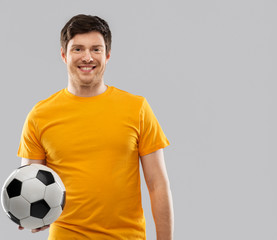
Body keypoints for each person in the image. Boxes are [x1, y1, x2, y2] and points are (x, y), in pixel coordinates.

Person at [17, 14, 174, 240]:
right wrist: (30, 212)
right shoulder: (40, 116)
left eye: (96, 49)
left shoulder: (137, 108)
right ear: (64, 54)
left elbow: (158, 185)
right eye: (78, 49)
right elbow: (30, 183)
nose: (87, 57)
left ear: (108, 55)